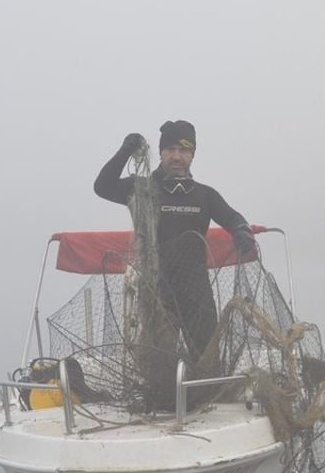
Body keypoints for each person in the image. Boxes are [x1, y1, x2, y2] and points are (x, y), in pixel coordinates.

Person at [93, 120, 256, 363]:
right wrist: (125, 150)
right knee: (159, 364)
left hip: (196, 290)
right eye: (170, 149)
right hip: (156, 291)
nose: (176, 156)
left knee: (207, 361)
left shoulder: (205, 195)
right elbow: (102, 187)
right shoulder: (141, 188)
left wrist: (241, 230)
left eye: (184, 150)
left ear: (192, 155)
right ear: (160, 152)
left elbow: (232, 217)